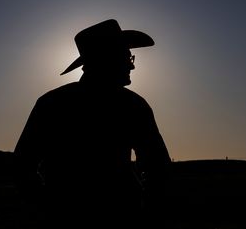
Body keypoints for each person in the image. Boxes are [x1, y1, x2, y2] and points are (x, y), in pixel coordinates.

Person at [13, 19, 171, 228]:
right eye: (126, 57)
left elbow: (21, 166)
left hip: (65, 219)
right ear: (107, 59)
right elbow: (158, 167)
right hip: (120, 219)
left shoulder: (52, 103)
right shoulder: (133, 105)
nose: (131, 64)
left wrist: (48, 205)